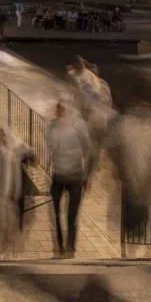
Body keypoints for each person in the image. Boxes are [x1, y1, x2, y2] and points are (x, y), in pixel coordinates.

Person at [47, 100, 95, 258]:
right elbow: (50, 146)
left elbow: (88, 150)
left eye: (60, 110)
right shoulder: (53, 126)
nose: (57, 112)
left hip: (74, 176)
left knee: (71, 215)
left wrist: (87, 176)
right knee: (57, 214)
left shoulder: (77, 126)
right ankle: (61, 246)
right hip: (59, 176)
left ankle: (71, 247)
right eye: (57, 110)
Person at [0, 127, 34, 258]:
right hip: (0, 194)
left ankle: (10, 250)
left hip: (14, 195)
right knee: (1, 224)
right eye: (2, 137)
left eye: (5, 137)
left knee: (12, 224)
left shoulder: (17, 153)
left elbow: (30, 155)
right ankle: (2, 250)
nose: (4, 140)